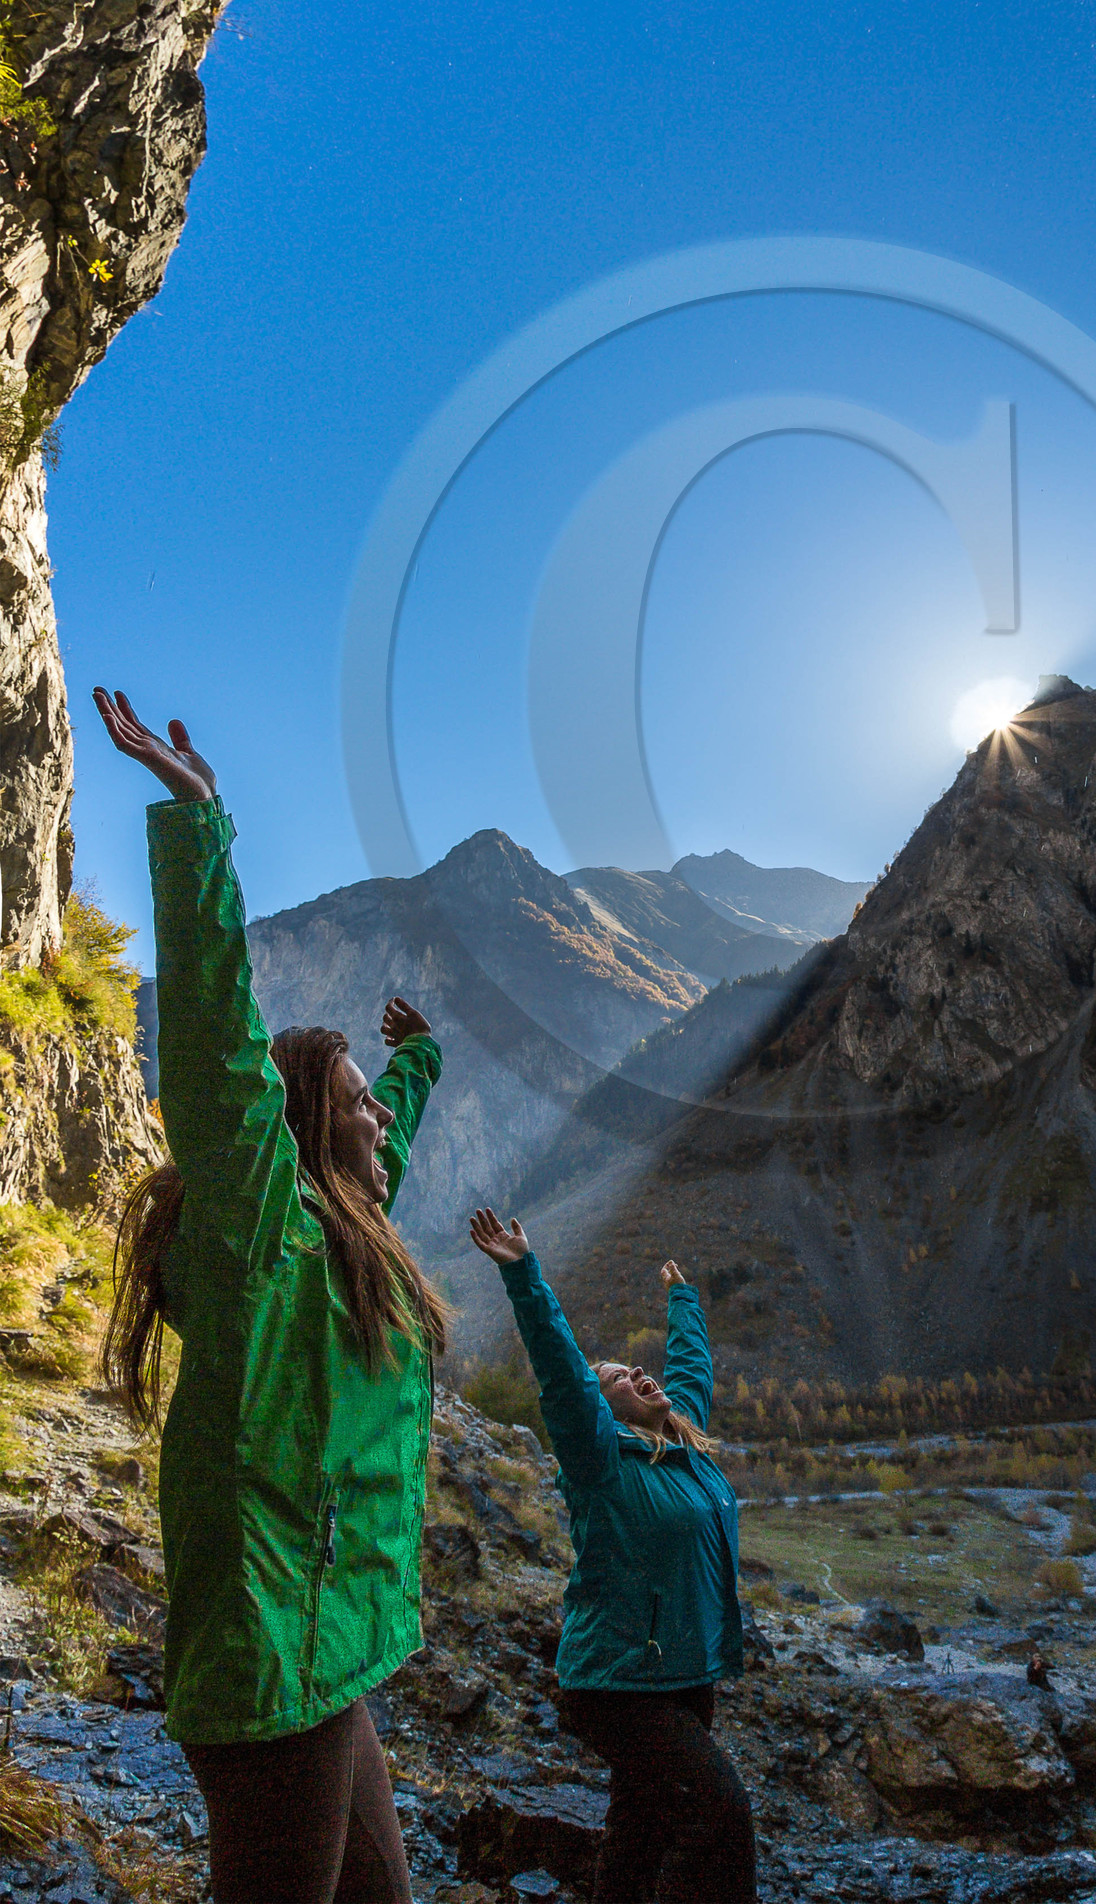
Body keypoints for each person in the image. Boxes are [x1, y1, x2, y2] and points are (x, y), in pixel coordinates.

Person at [93, 687, 447, 1904]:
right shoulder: (266, 1236)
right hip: (271, 1653)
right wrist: (199, 829)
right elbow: (214, 1051)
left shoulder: (348, 1228)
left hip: (327, 1650)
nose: (375, 1122)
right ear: (297, 1133)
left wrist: (415, 1065)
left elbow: (386, 1123)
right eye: (349, 1103)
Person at [468, 1206, 755, 1904]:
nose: (638, 1374)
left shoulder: (680, 1441)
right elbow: (566, 1376)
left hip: (682, 1673)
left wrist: (681, 1299)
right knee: (718, 1819)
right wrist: (524, 1275)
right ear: (607, 1411)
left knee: (644, 1828)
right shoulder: (601, 1460)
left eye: (637, 1369)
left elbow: (691, 1368)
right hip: (618, 1683)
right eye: (620, 1379)